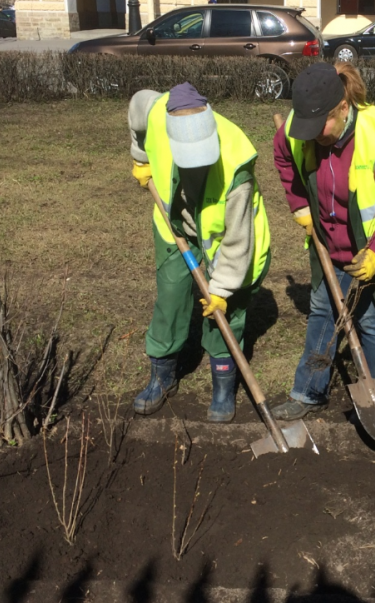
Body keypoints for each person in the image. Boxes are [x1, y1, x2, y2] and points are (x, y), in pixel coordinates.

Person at [271, 63, 375, 420]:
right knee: (323, 310)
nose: (313, 136)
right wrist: (300, 208)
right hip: (330, 243)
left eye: (321, 126)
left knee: (370, 320)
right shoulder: (302, 126)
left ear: (343, 108)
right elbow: (282, 155)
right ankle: (308, 392)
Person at [128, 83, 271, 421]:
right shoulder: (154, 111)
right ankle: (161, 376)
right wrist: (140, 156)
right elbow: (136, 108)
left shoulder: (237, 165)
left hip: (225, 240)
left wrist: (220, 291)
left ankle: (223, 384)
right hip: (173, 224)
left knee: (226, 310)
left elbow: (237, 244)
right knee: (171, 297)